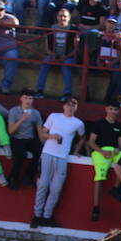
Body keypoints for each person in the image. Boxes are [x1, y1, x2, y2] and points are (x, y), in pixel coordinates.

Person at [32, 97, 84, 228]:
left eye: (73, 105)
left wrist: (77, 150)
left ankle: (47, 216)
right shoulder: (54, 116)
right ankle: (37, 215)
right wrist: (52, 136)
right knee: (43, 185)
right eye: (68, 105)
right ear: (64, 106)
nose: (70, 107)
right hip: (48, 153)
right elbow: (43, 133)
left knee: (56, 189)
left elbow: (82, 137)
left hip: (62, 156)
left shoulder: (78, 123)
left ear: (76, 108)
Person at [87, 103, 121, 221]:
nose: (113, 111)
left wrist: (118, 149)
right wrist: (102, 152)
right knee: (100, 176)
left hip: (113, 151)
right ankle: (96, 207)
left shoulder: (119, 126)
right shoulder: (99, 123)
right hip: (100, 151)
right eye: (111, 109)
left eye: (115, 109)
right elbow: (91, 142)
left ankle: (115, 188)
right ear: (106, 109)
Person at [6, 90, 43, 190]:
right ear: (21, 99)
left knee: (40, 151)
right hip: (17, 138)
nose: (28, 101)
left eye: (30, 98)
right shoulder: (14, 111)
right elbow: (10, 131)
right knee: (20, 154)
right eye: (26, 98)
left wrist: (44, 144)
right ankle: (13, 178)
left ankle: (28, 177)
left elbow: (40, 131)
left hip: (30, 139)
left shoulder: (36, 113)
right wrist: (22, 119)